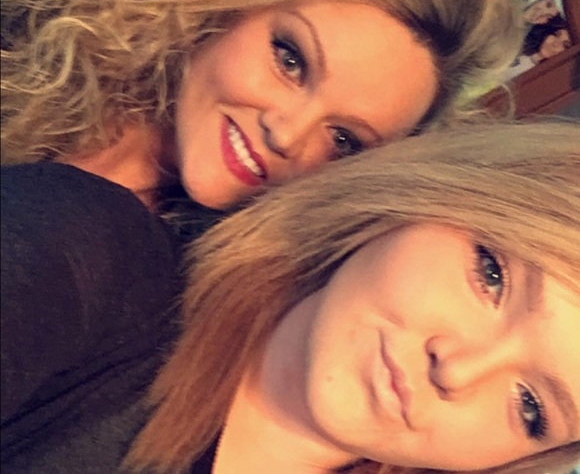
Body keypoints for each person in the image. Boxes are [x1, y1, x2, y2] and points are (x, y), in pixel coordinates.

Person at [1, 0, 527, 213]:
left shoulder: (195, 292)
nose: (287, 135)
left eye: (343, 140)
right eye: (291, 61)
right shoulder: (20, 25)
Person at [125, 120, 580, 474]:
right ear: (436, 194)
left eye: (531, 409)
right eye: (492, 275)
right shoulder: (106, 270)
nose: (457, 371)